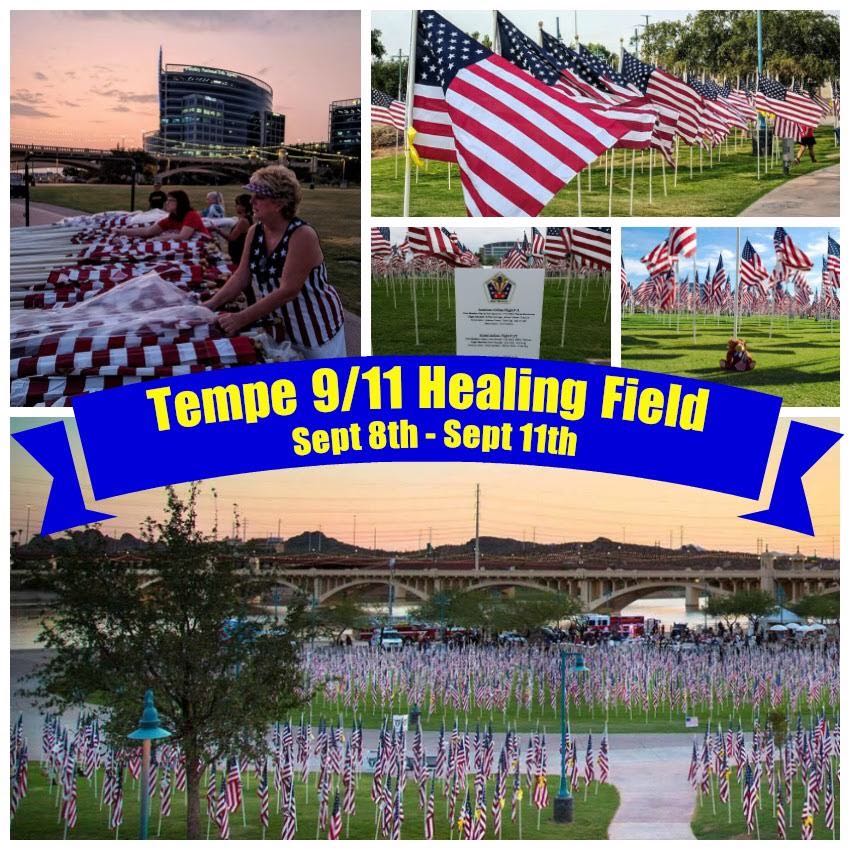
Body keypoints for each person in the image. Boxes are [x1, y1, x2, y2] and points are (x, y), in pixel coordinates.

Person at [204, 165, 346, 359]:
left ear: (279, 203)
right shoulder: (255, 231)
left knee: (325, 383)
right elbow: (241, 276)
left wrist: (241, 318)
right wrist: (210, 304)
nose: (252, 201)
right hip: (281, 326)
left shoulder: (302, 235)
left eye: (259, 196)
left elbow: (288, 290)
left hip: (315, 329)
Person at [119, 190, 210, 240]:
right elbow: (148, 231)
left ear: (180, 203)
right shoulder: (171, 219)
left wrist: (159, 239)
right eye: (167, 200)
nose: (167, 203)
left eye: (171, 200)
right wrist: (122, 231)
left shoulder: (191, 215)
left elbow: (183, 236)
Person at [226, 193, 253, 266]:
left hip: (238, 255)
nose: (235, 206)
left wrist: (217, 230)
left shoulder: (243, 221)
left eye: (238, 204)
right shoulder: (244, 219)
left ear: (244, 207)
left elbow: (232, 238)